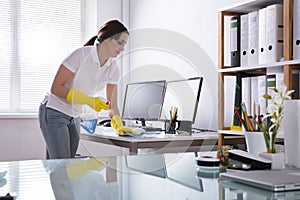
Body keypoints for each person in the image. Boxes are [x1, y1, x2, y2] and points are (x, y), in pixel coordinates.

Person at [38, 20, 137, 159]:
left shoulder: (113, 68)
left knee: (66, 163)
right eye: (120, 42)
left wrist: (118, 123)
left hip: (75, 115)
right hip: (54, 111)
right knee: (62, 165)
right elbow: (56, 88)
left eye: (125, 44)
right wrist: (88, 100)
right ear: (108, 39)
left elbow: (112, 104)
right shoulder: (80, 55)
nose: (122, 48)